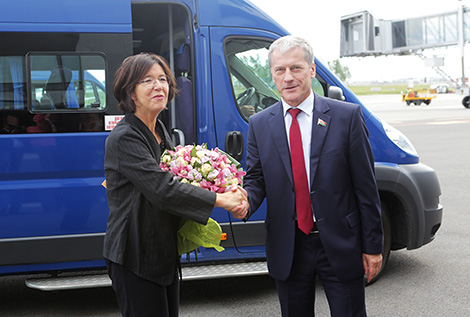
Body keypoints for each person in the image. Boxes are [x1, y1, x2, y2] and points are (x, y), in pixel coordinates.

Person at [242, 36, 383, 316]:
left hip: (340, 243)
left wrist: (373, 247)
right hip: (289, 245)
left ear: (312, 70)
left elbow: (366, 188)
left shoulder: (346, 117)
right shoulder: (259, 124)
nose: (288, 77)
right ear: (272, 75)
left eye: (296, 68)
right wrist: (244, 200)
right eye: (280, 70)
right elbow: (255, 179)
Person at [103, 52, 247, 317]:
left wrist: (224, 186)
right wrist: (220, 201)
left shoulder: (159, 130)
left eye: (163, 79)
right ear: (131, 92)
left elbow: (179, 178)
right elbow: (162, 188)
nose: (159, 86)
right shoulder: (125, 137)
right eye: (147, 80)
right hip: (135, 253)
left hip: (161, 250)